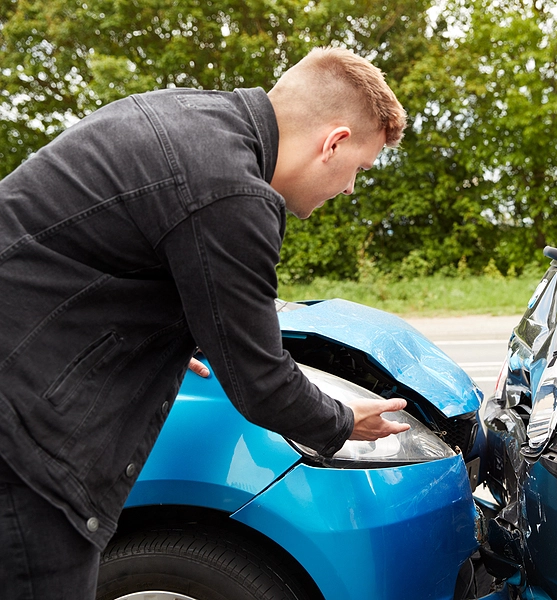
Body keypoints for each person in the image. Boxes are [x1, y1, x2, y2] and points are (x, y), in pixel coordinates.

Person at [0, 47, 410, 598]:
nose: (350, 189)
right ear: (332, 143)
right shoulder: (231, 192)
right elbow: (262, 384)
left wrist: (169, 330)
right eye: (358, 169)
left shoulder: (189, 118)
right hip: (23, 437)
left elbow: (98, 249)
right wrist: (342, 422)